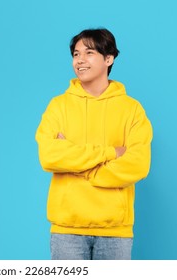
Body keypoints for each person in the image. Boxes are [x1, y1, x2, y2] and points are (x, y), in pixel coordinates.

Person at [35, 28, 153, 260]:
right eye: (76, 54)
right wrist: (110, 152)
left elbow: (137, 164)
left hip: (115, 231)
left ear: (108, 59)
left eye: (88, 53)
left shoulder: (132, 110)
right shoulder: (58, 106)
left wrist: (79, 167)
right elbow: (49, 155)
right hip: (66, 230)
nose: (80, 60)